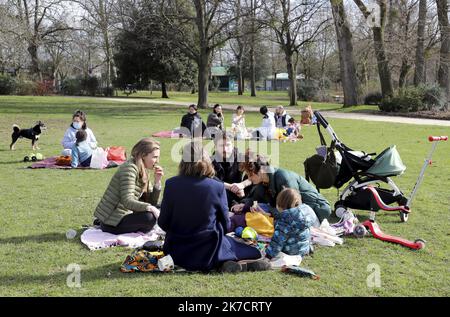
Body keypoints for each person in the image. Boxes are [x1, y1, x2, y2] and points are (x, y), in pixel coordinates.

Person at [158, 142, 270, 273]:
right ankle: (229, 263)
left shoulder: (171, 184)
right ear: (206, 160)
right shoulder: (216, 187)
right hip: (209, 250)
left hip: (177, 252)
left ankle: (225, 263)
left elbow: (163, 222)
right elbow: (225, 223)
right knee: (253, 252)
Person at [232, 150, 331, 223]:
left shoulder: (284, 178)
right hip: (295, 211)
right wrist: (244, 205)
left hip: (317, 211)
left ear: (261, 171)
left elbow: (293, 211)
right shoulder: (264, 180)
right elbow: (256, 198)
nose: (249, 178)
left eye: (251, 174)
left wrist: (269, 213)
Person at [94, 138, 163, 234]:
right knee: (149, 218)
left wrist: (157, 182)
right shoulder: (129, 168)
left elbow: (151, 202)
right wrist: (151, 208)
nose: (157, 161)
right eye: (155, 157)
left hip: (126, 214)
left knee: (163, 207)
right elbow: (127, 200)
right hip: (113, 222)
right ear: (143, 155)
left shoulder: (143, 169)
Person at [265, 188, 317, 259]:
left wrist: (269, 255)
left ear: (280, 204)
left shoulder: (285, 220)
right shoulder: (304, 214)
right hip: (304, 249)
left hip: (290, 252)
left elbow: (278, 241)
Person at [211, 132, 253, 208]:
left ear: (233, 144)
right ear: (215, 147)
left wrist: (242, 185)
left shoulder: (241, 157)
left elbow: (255, 175)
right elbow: (211, 180)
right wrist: (230, 187)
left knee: (257, 186)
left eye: (227, 145)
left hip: (242, 192)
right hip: (223, 193)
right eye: (221, 146)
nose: (225, 149)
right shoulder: (211, 161)